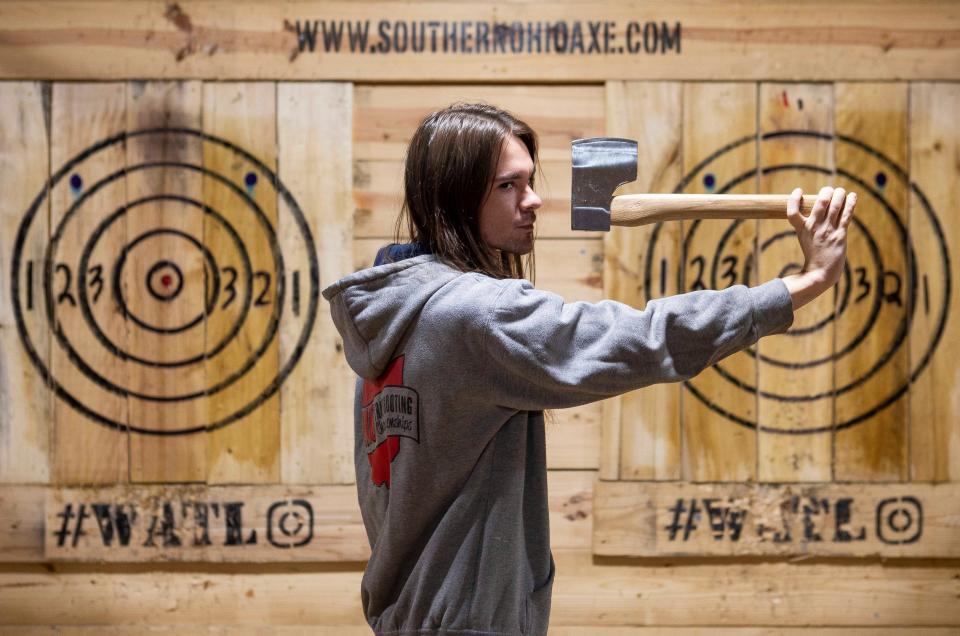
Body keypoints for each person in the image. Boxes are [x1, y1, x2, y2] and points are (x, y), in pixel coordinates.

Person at [322, 103, 856, 635]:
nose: (534, 201)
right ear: (457, 198)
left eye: (530, 181)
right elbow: (643, 339)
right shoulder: (473, 315)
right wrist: (804, 283)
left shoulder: (392, 312)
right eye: (508, 186)